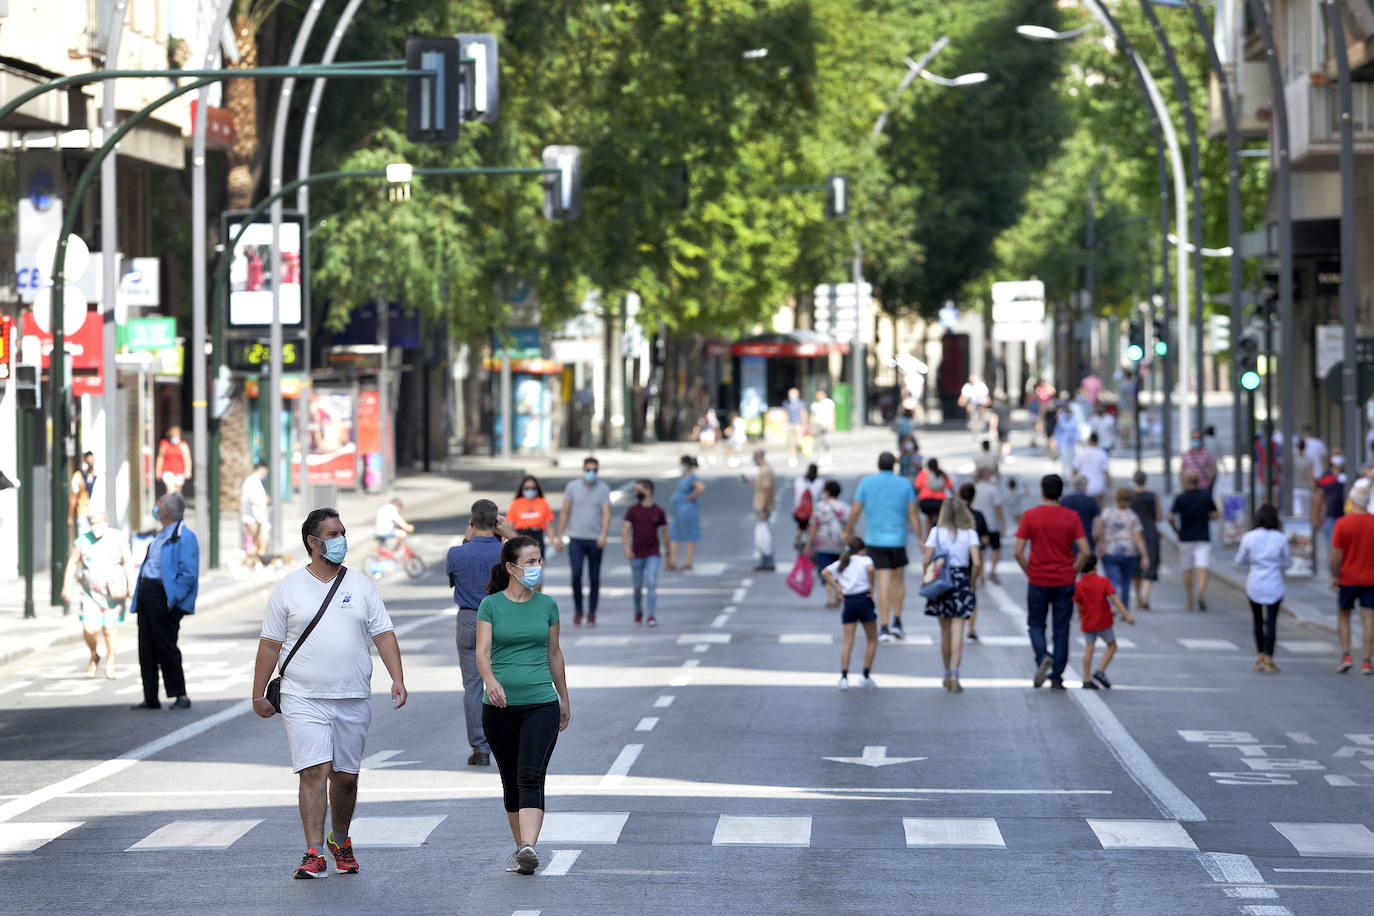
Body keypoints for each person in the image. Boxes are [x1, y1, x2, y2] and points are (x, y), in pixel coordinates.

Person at [252, 507, 407, 879]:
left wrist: (397, 678)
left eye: (342, 533)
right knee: (313, 771)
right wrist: (258, 693)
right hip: (301, 696)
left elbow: (383, 635)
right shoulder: (288, 588)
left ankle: (340, 839)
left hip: (352, 695)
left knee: (345, 777)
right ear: (313, 542)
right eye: (333, 534)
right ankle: (313, 851)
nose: (341, 541)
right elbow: (270, 644)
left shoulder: (361, 586)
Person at [476, 535, 571, 876]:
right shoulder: (490, 606)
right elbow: (482, 651)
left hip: (540, 703)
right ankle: (522, 849)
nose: (537, 567)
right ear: (511, 568)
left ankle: (529, 845)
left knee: (531, 774)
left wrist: (563, 697)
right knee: (510, 779)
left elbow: (554, 653)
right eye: (530, 562)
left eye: (539, 560)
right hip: (498, 707)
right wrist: (491, 681)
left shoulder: (547, 605)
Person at [447, 500, 515, 766]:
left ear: (472, 523)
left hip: (468, 619)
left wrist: (467, 539)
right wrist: (511, 534)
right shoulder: (506, 552)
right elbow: (532, 563)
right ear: (497, 522)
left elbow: (454, 579)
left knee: (473, 685)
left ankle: (480, 748)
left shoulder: (456, 553)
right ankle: (508, 742)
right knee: (505, 680)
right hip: (500, 618)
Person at [1014, 474, 1092, 690]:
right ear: (1061, 493)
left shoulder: (1030, 516)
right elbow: (1085, 551)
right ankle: (1057, 676)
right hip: (1064, 579)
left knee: (1036, 623)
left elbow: (1018, 550)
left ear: (1042, 491)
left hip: (1038, 578)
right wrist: (1073, 570)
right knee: (1061, 627)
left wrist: (1029, 571)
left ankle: (1042, 656)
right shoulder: (1072, 517)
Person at [129, 492, 199, 710]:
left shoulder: (184, 536)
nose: (156, 505)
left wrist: (172, 599)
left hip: (163, 596)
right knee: (146, 646)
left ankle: (180, 694)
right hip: (147, 593)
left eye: (160, 502)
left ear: (168, 510)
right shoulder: (161, 534)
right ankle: (150, 696)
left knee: (166, 646)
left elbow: (188, 574)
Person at [844, 452, 920, 643]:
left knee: (882, 583)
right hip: (898, 540)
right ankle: (898, 621)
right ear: (894, 465)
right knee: (898, 582)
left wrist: (848, 529)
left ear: (878, 465)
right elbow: (913, 512)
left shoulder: (867, 483)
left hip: (875, 539)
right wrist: (920, 536)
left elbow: (856, 509)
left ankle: (884, 625)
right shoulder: (904, 484)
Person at [61, 509, 133, 679]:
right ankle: (94, 654)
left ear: (106, 522)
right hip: (90, 594)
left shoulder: (118, 538)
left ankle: (110, 662)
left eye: (98, 522)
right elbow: (72, 562)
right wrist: (66, 586)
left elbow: (128, 561)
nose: (95, 527)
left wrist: (132, 584)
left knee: (109, 629)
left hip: (112, 594)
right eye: (92, 523)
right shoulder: (83, 540)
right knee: (89, 629)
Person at [923, 498, 981, 693]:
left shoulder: (935, 532)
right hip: (961, 579)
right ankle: (956, 673)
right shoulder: (970, 533)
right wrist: (971, 582)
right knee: (958, 630)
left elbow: (926, 559)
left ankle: (946, 673)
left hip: (942, 579)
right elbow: (977, 562)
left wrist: (929, 575)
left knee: (944, 632)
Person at [556, 457, 612, 626]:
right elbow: (565, 511)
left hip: (595, 539)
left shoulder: (603, 488)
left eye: (594, 470)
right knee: (577, 574)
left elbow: (607, 513)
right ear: (583, 470)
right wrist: (559, 535)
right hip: (576, 539)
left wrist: (603, 534)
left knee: (594, 577)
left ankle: (592, 613)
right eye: (588, 470)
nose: (591, 473)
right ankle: (579, 610)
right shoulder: (572, 487)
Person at [1236, 504, 1291, 674]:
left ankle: (1259, 657)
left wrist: (1255, 562)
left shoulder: (1249, 537)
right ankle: (1269, 659)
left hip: (1255, 582)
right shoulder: (1280, 538)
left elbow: (1240, 560)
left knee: (1257, 621)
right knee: (1272, 622)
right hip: (1274, 582)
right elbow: (1287, 562)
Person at [820, 536, 878, 690]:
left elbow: (825, 572)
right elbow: (871, 570)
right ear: (862, 549)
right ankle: (865, 675)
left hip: (849, 601)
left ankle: (844, 677)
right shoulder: (865, 560)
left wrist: (838, 587)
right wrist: (871, 585)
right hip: (864, 599)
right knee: (872, 639)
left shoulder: (842, 563)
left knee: (848, 641)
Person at [1330, 483, 1374, 675]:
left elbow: (1335, 554)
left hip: (1348, 578)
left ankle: (1346, 654)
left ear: (1353, 501)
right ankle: (1366, 660)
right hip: (1371, 578)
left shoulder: (1342, 523)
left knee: (1343, 615)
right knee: (1369, 618)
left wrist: (1334, 575)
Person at [1074, 554, 1135, 690]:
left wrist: (1082, 615)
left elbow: (1078, 604)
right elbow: (1114, 599)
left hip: (1088, 620)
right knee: (1112, 645)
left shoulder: (1079, 584)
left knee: (1089, 648)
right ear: (1095, 566)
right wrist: (1126, 614)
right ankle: (1100, 670)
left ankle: (1086, 678)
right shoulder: (1103, 581)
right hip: (1103, 620)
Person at [1169, 470, 1219, 611]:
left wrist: (1176, 530)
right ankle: (1201, 593)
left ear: (1185, 481)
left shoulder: (1180, 497)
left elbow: (1170, 517)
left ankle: (1189, 599)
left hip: (1186, 537)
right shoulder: (1205, 495)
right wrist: (1205, 518)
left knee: (1187, 569)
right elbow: (1216, 513)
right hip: (1203, 536)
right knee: (1202, 568)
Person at [1094, 487, 1149, 612]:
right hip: (1129, 552)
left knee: (1112, 579)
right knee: (1126, 582)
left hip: (1110, 550)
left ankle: (1112, 605)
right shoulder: (1132, 516)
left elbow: (1100, 530)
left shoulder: (1107, 513)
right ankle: (1124, 608)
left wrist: (1101, 544)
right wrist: (1144, 556)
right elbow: (1138, 537)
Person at [623, 479, 669, 626]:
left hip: (653, 553)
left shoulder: (659, 511)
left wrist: (668, 553)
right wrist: (627, 548)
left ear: (648, 491)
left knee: (651, 582)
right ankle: (638, 612)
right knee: (637, 587)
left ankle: (651, 615)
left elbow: (665, 533)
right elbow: (626, 530)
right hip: (636, 553)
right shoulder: (632, 510)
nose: (636, 493)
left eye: (639, 490)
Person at [804, 480, 849, 608]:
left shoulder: (820, 506)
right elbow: (849, 527)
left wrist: (808, 544)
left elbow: (813, 527)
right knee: (839, 570)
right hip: (840, 543)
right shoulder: (844, 507)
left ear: (827, 492)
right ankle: (838, 594)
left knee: (824, 569)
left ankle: (830, 598)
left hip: (822, 543)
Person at [1129, 471, 1163, 610]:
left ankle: (1137, 598)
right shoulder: (1152, 496)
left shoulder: (1130, 497)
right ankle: (1145, 597)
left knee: (1135, 565)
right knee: (1149, 562)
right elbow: (1160, 516)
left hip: (1133, 533)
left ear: (1134, 480)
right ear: (1146, 480)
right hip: (1149, 531)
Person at [668, 456, 706, 570]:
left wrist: (691, 497)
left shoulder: (692, 477)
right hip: (678, 511)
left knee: (689, 535)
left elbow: (701, 488)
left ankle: (687, 562)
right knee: (675, 535)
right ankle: (673, 561)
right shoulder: (685, 477)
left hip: (687, 510)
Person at [743, 448, 777, 571]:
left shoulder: (765, 471)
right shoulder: (764, 470)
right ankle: (765, 561)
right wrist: (750, 482)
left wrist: (763, 509)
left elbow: (768, 490)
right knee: (762, 535)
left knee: (764, 536)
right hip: (761, 505)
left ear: (758, 457)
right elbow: (762, 486)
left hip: (763, 506)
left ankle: (768, 562)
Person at [971, 468, 1006, 587]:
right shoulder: (993, 489)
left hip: (978, 523)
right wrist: (1002, 523)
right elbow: (998, 507)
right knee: (996, 548)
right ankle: (992, 571)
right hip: (991, 524)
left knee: (981, 550)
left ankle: (981, 574)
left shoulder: (975, 488)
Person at [508, 476, 555, 557]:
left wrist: (553, 542)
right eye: (527, 488)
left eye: (533, 488)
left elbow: (549, 526)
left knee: (539, 565)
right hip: (521, 537)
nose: (530, 490)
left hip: (537, 537)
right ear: (522, 489)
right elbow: (509, 525)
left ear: (537, 488)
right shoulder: (516, 503)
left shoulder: (543, 503)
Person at [1313, 456, 1345, 562]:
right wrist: (1315, 518)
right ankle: (1334, 572)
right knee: (1332, 546)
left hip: (1345, 517)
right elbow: (1318, 498)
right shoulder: (1325, 478)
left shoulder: (1347, 476)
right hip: (1330, 517)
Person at [1060, 475, 1101, 553]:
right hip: (1086, 540)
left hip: (1068, 541)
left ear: (1072, 485)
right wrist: (1095, 539)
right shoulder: (1091, 501)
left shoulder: (1064, 500)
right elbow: (1098, 523)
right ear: (1086, 486)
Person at [241, 464, 271, 567]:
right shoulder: (251, 481)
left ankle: (255, 563)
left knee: (258, 544)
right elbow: (252, 499)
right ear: (262, 470)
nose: (265, 476)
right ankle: (243, 561)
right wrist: (262, 508)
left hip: (258, 518)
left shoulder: (255, 481)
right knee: (254, 544)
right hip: (253, 519)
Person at [914, 458, 952, 535]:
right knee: (941, 519)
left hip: (925, 502)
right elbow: (950, 487)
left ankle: (928, 537)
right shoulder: (942, 474)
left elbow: (917, 487)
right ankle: (940, 535)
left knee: (928, 518)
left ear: (928, 466)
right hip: (940, 503)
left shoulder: (923, 473)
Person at [68, 450, 101, 536]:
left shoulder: (99, 476)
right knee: (84, 540)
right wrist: (70, 516)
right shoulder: (78, 476)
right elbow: (74, 497)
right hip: (83, 513)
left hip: (96, 514)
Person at [1072, 432, 1111, 505]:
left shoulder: (1081, 453)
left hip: (1083, 488)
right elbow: (1106, 473)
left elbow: (1075, 470)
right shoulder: (1102, 453)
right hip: (1098, 488)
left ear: (1089, 440)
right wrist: (1108, 488)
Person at [791, 463, 823, 552]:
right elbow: (820, 496)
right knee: (812, 528)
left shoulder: (799, 480)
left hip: (799, 510)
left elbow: (795, 492)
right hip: (813, 511)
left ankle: (797, 540)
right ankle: (810, 545)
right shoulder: (819, 482)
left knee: (801, 526)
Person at [155, 426, 193, 496]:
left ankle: (176, 505)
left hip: (180, 471)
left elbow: (187, 458)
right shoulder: (165, 444)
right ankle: (170, 505)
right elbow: (160, 458)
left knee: (177, 492)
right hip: (167, 470)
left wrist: (188, 470)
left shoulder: (183, 445)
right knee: (170, 490)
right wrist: (158, 471)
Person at [1181, 431, 1217, 498]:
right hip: (1189, 488)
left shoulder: (1207, 453)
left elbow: (1212, 470)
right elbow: (1182, 472)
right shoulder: (1186, 454)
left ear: (1201, 440)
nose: (1195, 440)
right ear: (1191, 439)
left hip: (1203, 488)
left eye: (1197, 438)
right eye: (1194, 438)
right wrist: (1183, 486)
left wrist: (1208, 484)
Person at [1053, 403, 1080, 479]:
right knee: (1064, 460)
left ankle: (1071, 476)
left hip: (1072, 443)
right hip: (1063, 443)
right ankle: (1064, 476)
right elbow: (1057, 432)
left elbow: (1077, 432)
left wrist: (1077, 439)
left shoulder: (1074, 420)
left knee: (1072, 461)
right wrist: (1057, 443)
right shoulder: (1061, 420)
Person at [1290, 439, 1315, 518]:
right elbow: (1310, 476)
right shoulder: (1308, 460)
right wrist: (1313, 488)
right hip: (1306, 488)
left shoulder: (1293, 459)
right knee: (1306, 512)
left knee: (1296, 512)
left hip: (1295, 488)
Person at [783, 387, 807, 467]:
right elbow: (786, 414)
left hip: (798, 424)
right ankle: (792, 457)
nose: (792, 396)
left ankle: (798, 453)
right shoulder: (786, 403)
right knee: (791, 442)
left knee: (798, 442)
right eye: (790, 394)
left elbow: (803, 414)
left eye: (793, 394)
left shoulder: (800, 403)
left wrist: (804, 425)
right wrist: (785, 424)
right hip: (790, 424)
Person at [810, 390, 836, 461]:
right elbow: (813, 415)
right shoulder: (815, 404)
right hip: (818, 423)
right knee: (819, 440)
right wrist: (812, 426)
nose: (820, 396)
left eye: (821, 395)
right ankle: (821, 455)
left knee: (826, 440)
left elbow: (833, 413)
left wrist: (833, 424)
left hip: (827, 424)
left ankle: (827, 454)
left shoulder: (829, 403)